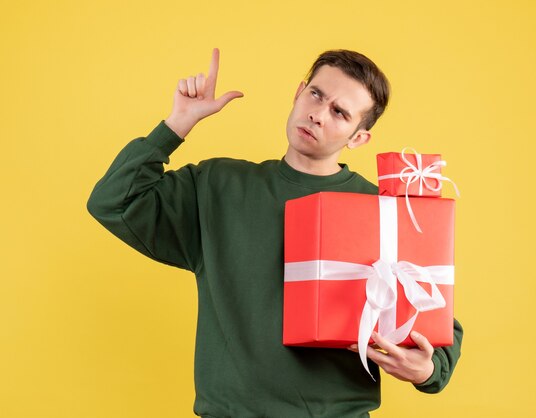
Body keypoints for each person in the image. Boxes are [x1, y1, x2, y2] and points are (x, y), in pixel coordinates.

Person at [87, 48, 463, 418]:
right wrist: (176, 125)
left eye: (340, 112)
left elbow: (438, 321)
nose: (317, 114)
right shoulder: (217, 186)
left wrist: (427, 371)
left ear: (358, 138)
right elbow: (114, 201)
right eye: (316, 94)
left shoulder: (382, 209)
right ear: (299, 93)